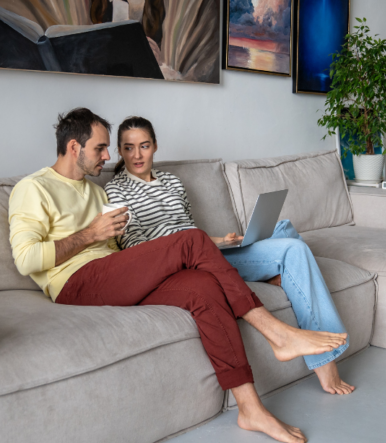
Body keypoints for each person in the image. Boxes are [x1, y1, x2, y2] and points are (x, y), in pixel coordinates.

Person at [8, 107, 349, 443]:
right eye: (100, 148)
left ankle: (250, 409)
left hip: (114, 274)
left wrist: (155, 262)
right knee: (192, 240)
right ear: (73, 147)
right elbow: (26, 260)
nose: (108, 155)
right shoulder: (33, 188)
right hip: (75, 284)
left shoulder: (96, 193)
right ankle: (277, 333)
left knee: (203, 287)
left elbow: (122, 253)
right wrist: (88, 234)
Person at [104, 116, 355, 396]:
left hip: (206, 251)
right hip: (177, 263)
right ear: (119, 151)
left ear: (155, 146)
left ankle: (275, 278)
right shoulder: (116, 190)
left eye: (144, 146)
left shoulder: (173, 182)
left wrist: (222, 240)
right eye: (128, 148)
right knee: (293, 249)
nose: (137, 155)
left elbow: (190, 230)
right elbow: (135, 248)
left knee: (284, 228)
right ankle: (325, 361)